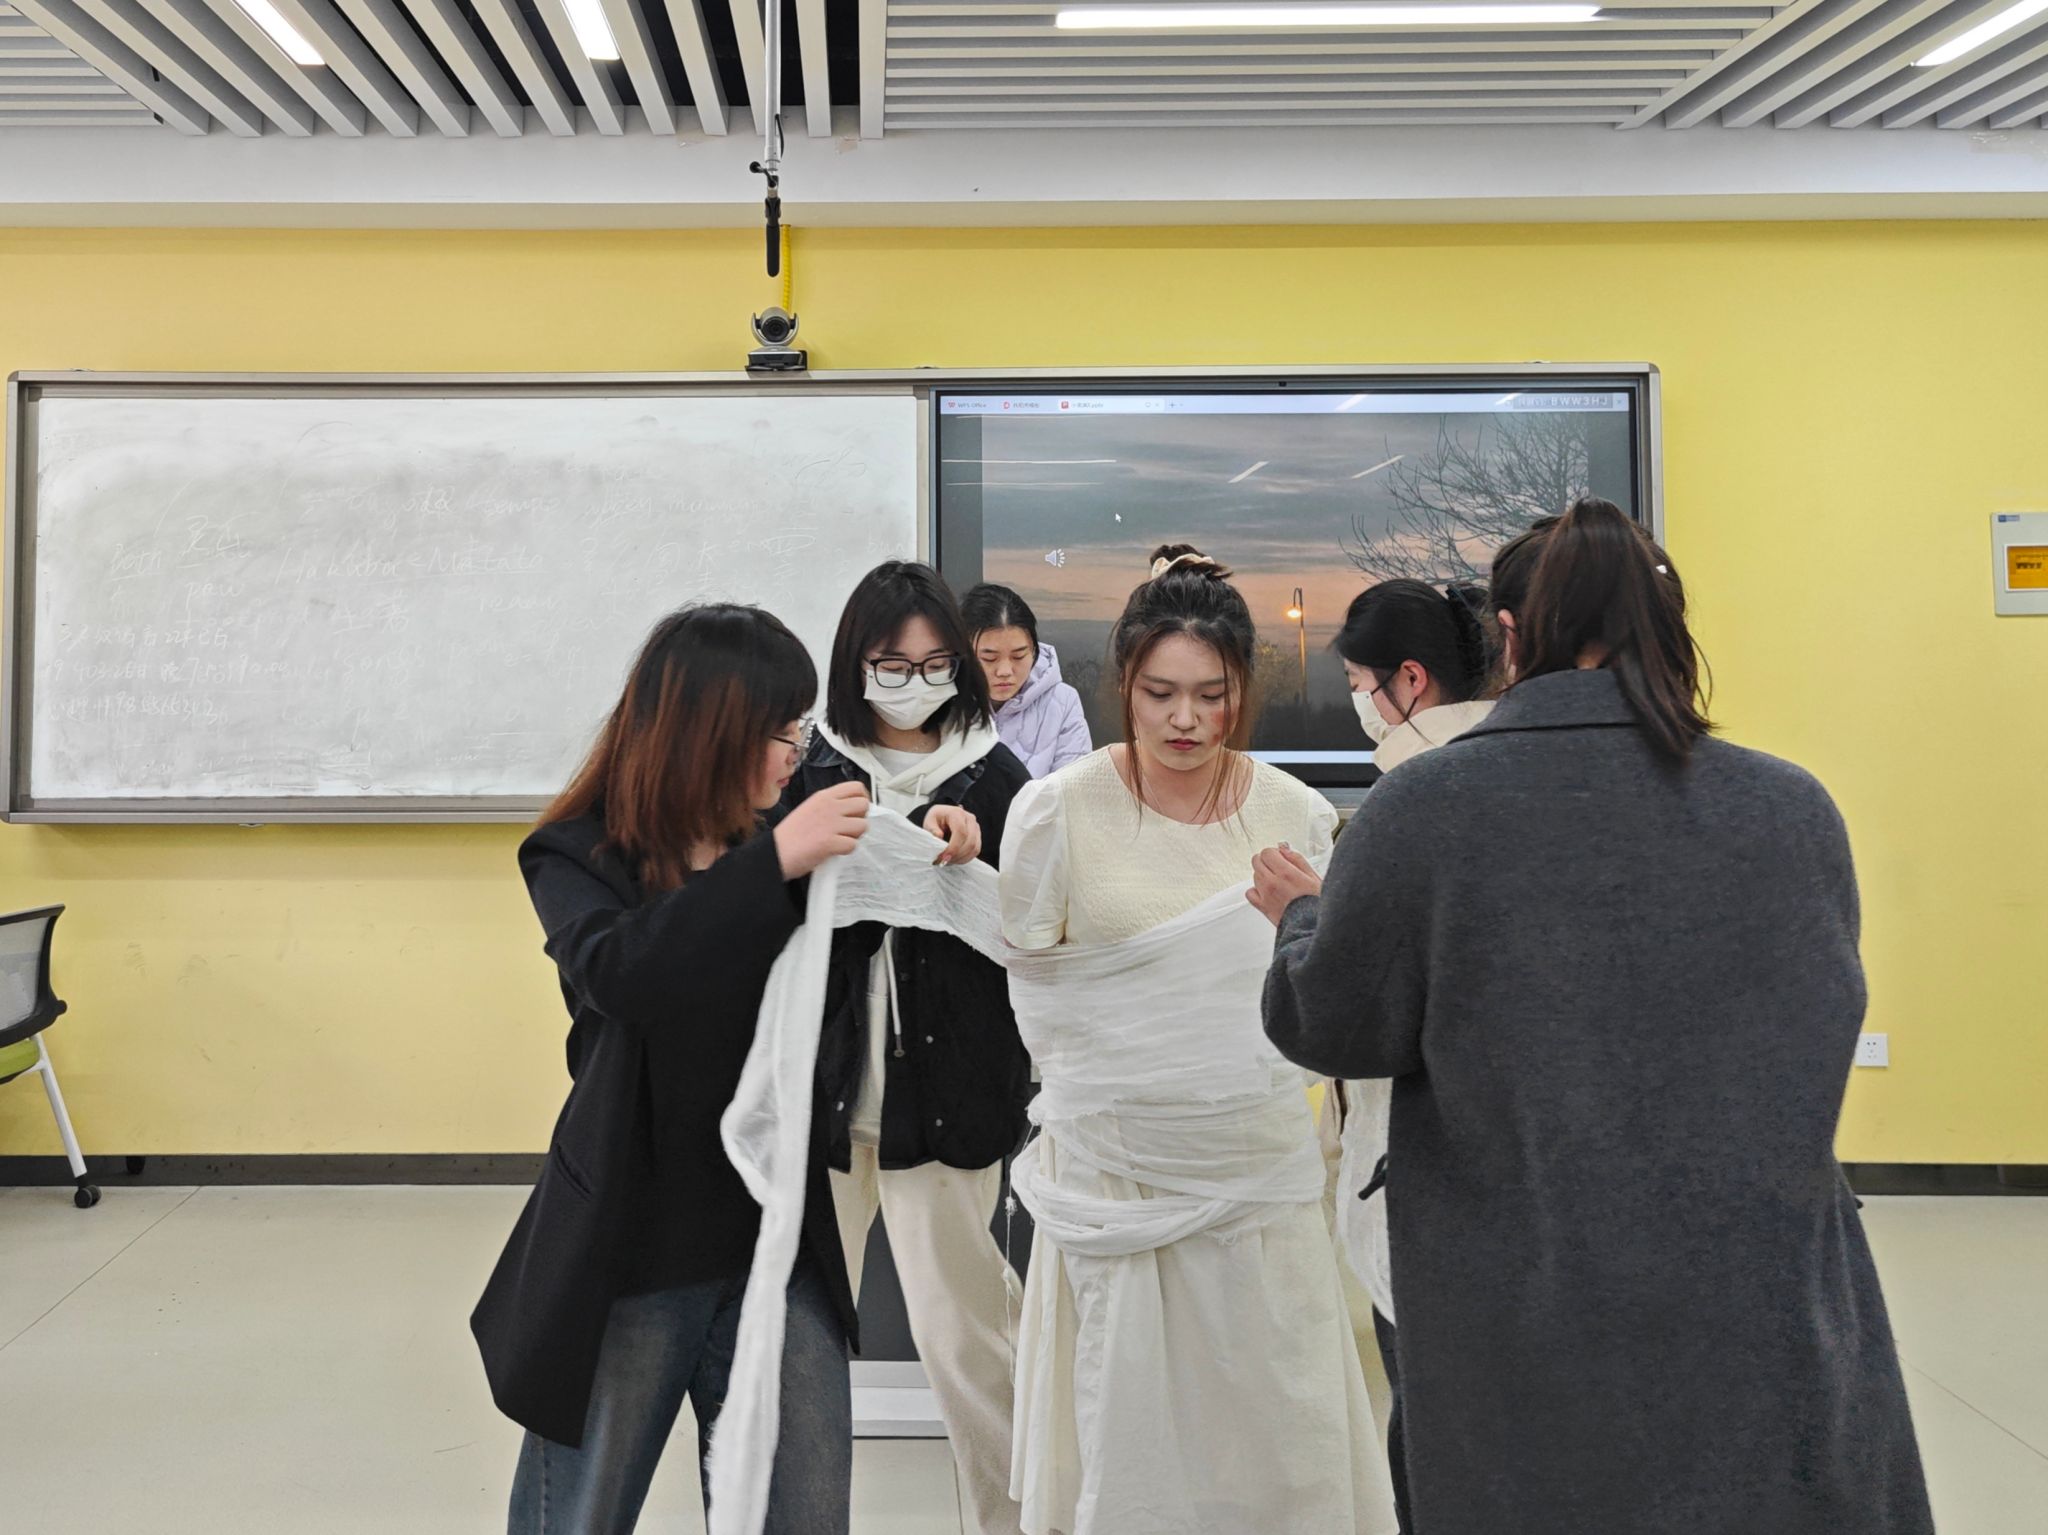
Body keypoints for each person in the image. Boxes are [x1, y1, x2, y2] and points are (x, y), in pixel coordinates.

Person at [1253, 499, 1934, 1535]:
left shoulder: (1422, 809)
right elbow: (1816, 1025)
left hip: (1523, 1298)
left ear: (1510, 635)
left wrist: (1302, 919)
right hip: (1760, 1291)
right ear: (1668, 627)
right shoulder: (1789, 808)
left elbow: (1331, 1025)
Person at [1000, 544, 1396, 1535]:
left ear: (1241, 694)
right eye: (1160, 693)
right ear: (1122, 685)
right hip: (1114, 1176)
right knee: (1130, 1436)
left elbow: (1316, 994)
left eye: (1210, 696)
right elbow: (1038, 1000)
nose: (1184, 718)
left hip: (1253, 1173)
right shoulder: (1056, 810)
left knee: (1278, 1440)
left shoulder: (1293, 813)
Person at [472, 604, 872, 1535]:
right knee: (582, 1511)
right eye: (777, 731)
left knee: (805, 1507)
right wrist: (775, 861)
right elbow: (625, 972)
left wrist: (942, 840)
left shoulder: (782, 823)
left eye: (800, 727)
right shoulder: (578, 852)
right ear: (706, 731)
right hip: (634, 1240)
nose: (795, 753)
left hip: (774, 1231)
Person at [782, 561, 1033, 1535]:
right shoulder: (808, 770)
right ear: (855, 663)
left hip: (951, 1101)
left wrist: (976, 856)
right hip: (821, 1101)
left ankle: (1016, 1520)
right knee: (798, 1341)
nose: (914, 684)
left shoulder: (998, 778)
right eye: (892, 665)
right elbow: (756, 913)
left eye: (935, 665)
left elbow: (1034, 931)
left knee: (969, 1340)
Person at [1321, 576, 1497, 1534]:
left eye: (1360, 683)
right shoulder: (1517, 770)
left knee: (1428, 1434)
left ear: (1411, 680)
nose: (1359, 703)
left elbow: (1345, 1002)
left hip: (1420, 1165)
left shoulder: (1410, 798)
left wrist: (1299, 922)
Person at [961, 582, 1093, 779]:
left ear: (1033, 650)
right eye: (989, 658)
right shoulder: (945, 701)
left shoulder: (1062, 702)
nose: (1005, 671)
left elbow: (1074, 786)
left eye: (1018, 656)